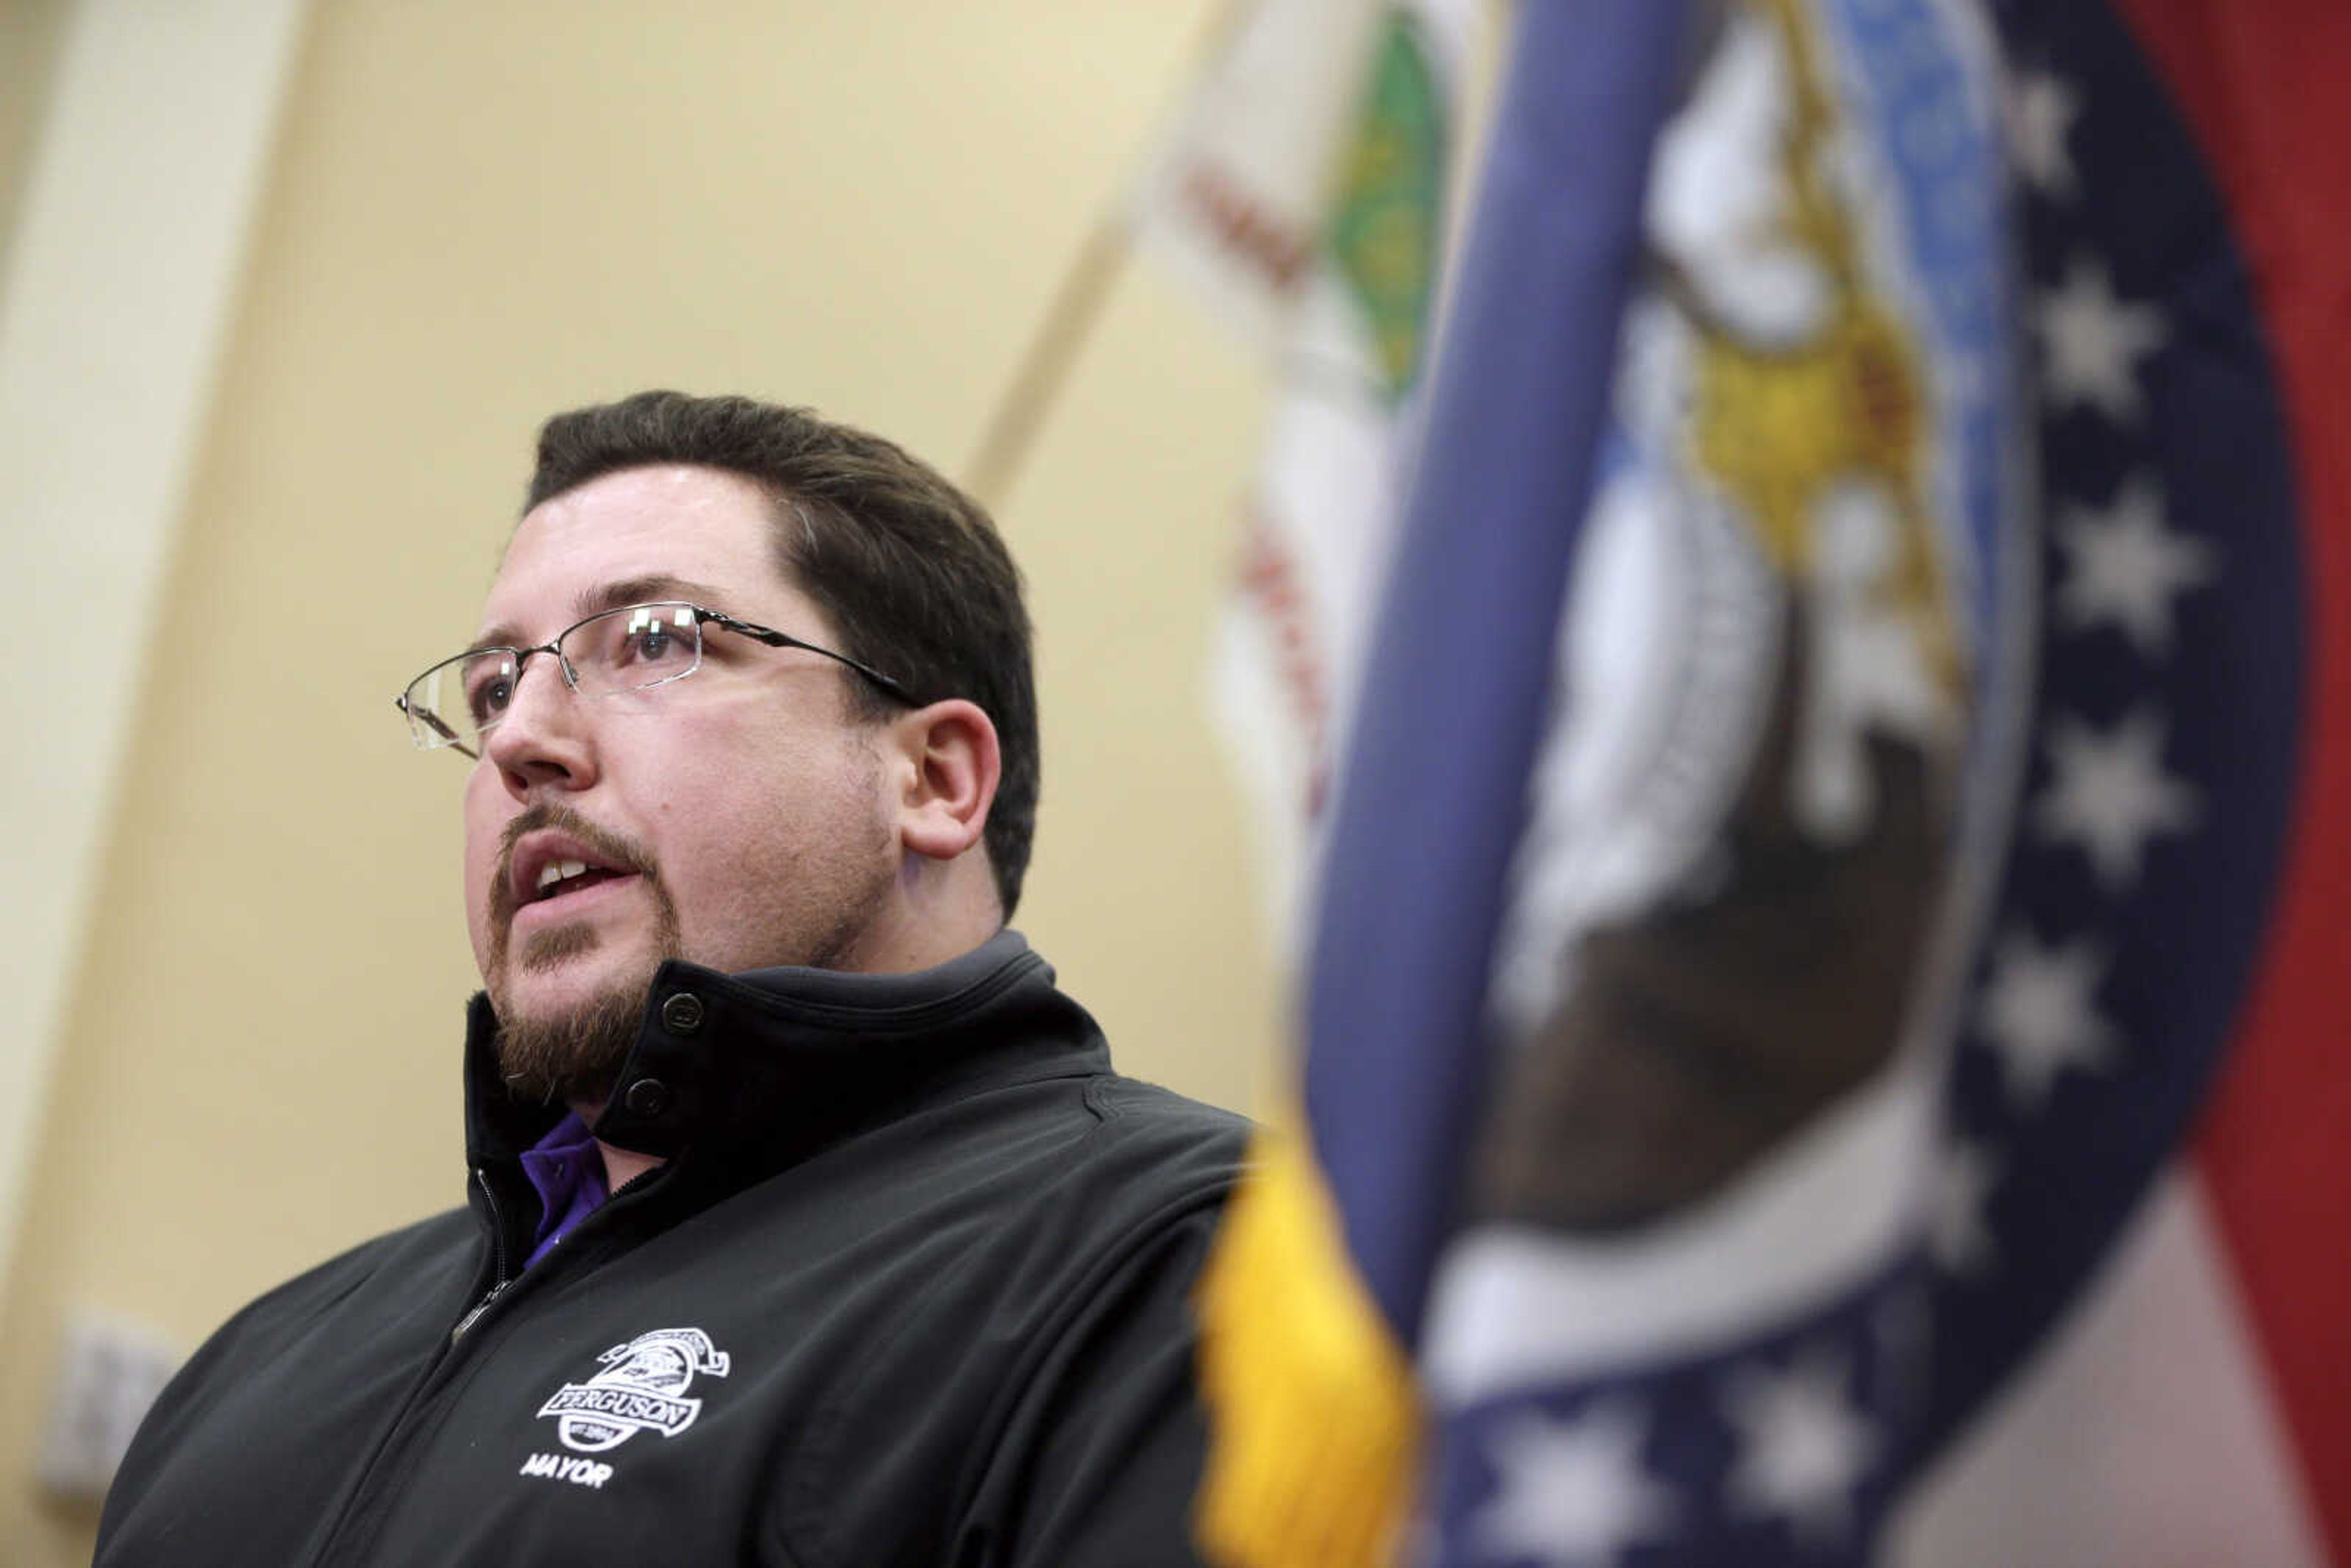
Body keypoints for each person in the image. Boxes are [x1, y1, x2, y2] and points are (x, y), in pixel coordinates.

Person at [94, 391, 1250, 1567]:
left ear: (936, 779)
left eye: (655, 640)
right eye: (494, 687)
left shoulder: (1179, 1265)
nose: (517, 739)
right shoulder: (264, 1359)